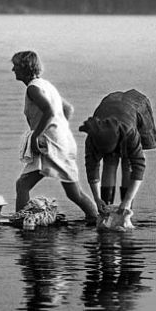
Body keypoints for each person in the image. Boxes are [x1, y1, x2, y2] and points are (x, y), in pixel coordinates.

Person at [11, 50, 97, 222]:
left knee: (23, 185)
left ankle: (21, 222)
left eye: (15, 66)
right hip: (60, 142)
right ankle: (95, 218)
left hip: (50, 145)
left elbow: (49, 111)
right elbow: (68, 109)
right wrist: (59, 130)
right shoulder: (45, 85)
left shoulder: (33, 88)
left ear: (24, 68)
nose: (13, 69)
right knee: (74, 193)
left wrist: (36, 135)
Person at [79, 89, 156, 214]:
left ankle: (127, 207)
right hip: (109, 104)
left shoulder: (130, 133)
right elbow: (91, 167)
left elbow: (138, 167)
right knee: (110, 160)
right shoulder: (93, 136)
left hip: (136, 106)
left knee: (127, 162)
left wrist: (127, 200)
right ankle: (106, 207)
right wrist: (97, 199)